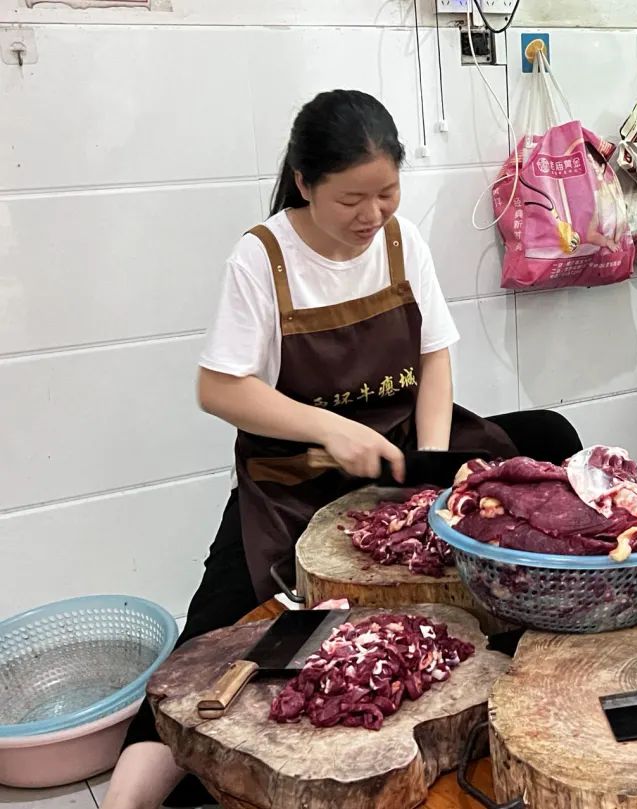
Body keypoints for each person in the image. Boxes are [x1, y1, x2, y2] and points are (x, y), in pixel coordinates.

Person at [102, 89, 582, 809]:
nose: (373, 215)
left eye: (388, 193)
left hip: (397, 462)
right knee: (211, 639)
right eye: (351, 199)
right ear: (303, 182)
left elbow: (435, 361)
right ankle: (130, 797)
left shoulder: (401, 241)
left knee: (548, 440)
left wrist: (428, 471)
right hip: (294, 476)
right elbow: (221, 388)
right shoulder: (261, 257)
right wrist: (328, 428)